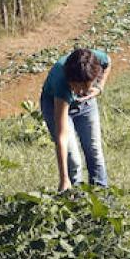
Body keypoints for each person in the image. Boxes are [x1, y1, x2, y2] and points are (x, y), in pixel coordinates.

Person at [39, 46, 111, 191]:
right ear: (70, 80)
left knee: (94, 151)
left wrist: (99, 87)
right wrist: (64, 178)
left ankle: (101, 195)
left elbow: (108, 62)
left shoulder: (96, 60)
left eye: (85, 87)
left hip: (87, 104)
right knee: (73, 159)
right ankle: (74, 197)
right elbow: (62, 137)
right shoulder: (61, 83)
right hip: (55, 104)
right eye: (77, 87)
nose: (80, 92)